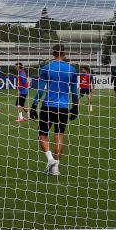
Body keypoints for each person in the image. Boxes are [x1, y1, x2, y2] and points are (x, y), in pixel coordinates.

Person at [29, 44, 78, 175]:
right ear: (64, 53)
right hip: (63, 107)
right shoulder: (72, 69)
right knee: (59, 136)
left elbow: (40, 90)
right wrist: (76, 107)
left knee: (42, 134)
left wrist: (33, 106)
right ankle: (56, 168)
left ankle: (50, 159)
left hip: (48, 106)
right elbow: (74, 91)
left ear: (53, 53)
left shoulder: (47, 67)